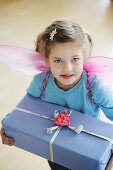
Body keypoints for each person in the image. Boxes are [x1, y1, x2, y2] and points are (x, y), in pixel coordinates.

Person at [1, 20, 113, 170]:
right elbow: (26, 108)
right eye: (58, 60)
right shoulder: (41, 83)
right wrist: (9, 124)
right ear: (47, 60)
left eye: (75, 59)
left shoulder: (95, 87)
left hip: (89, 150)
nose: (67, 68)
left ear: (85, 57)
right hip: (54, 146)